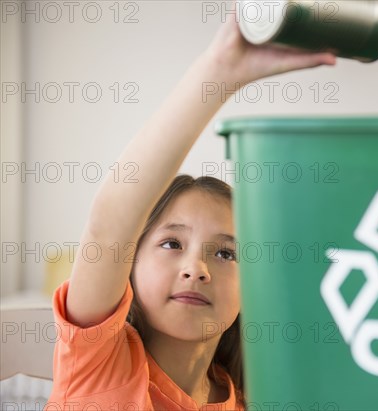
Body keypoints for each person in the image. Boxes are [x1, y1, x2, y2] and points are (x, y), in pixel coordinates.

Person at [45, 11, 336, 411]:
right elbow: (107, 227)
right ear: (127, 265)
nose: (196, 269)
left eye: (226, 253)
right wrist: (218, 75)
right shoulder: (97, 365)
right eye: (171, 243)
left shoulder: (252, 398)